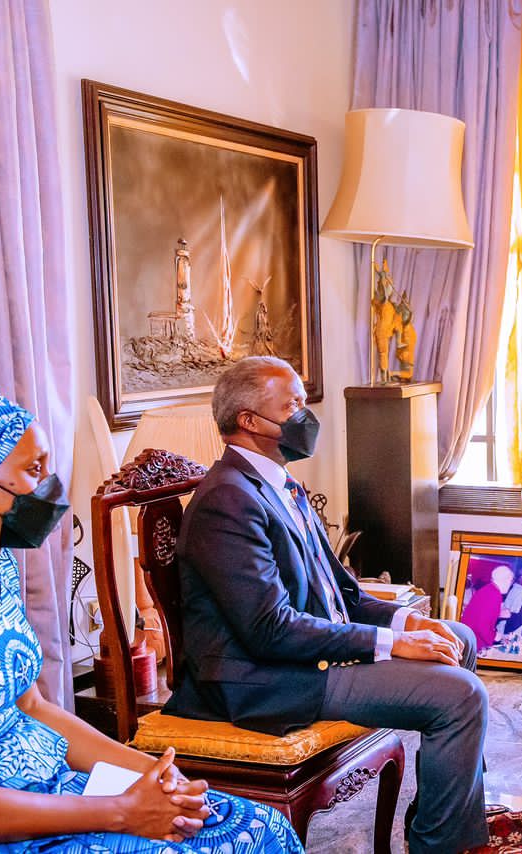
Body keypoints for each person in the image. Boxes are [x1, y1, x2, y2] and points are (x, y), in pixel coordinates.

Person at [0, 381, 303, 853]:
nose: (51, 484)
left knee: (256, 827)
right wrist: (124, 811)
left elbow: (34, 708)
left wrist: (154, 778)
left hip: (47, 787)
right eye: (34, 469)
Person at [165, 356, 489, 854]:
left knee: (457, 636)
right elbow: (270, 630)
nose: (304, 414)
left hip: (302, 652)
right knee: (461, 697)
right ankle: (438, 844)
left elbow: (342, 594)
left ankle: (449, 814)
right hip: (263, 677)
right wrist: (396, 644)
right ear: (250, 421)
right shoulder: (227, 500)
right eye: (292, 404)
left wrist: (408, 620)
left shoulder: (280, 484)